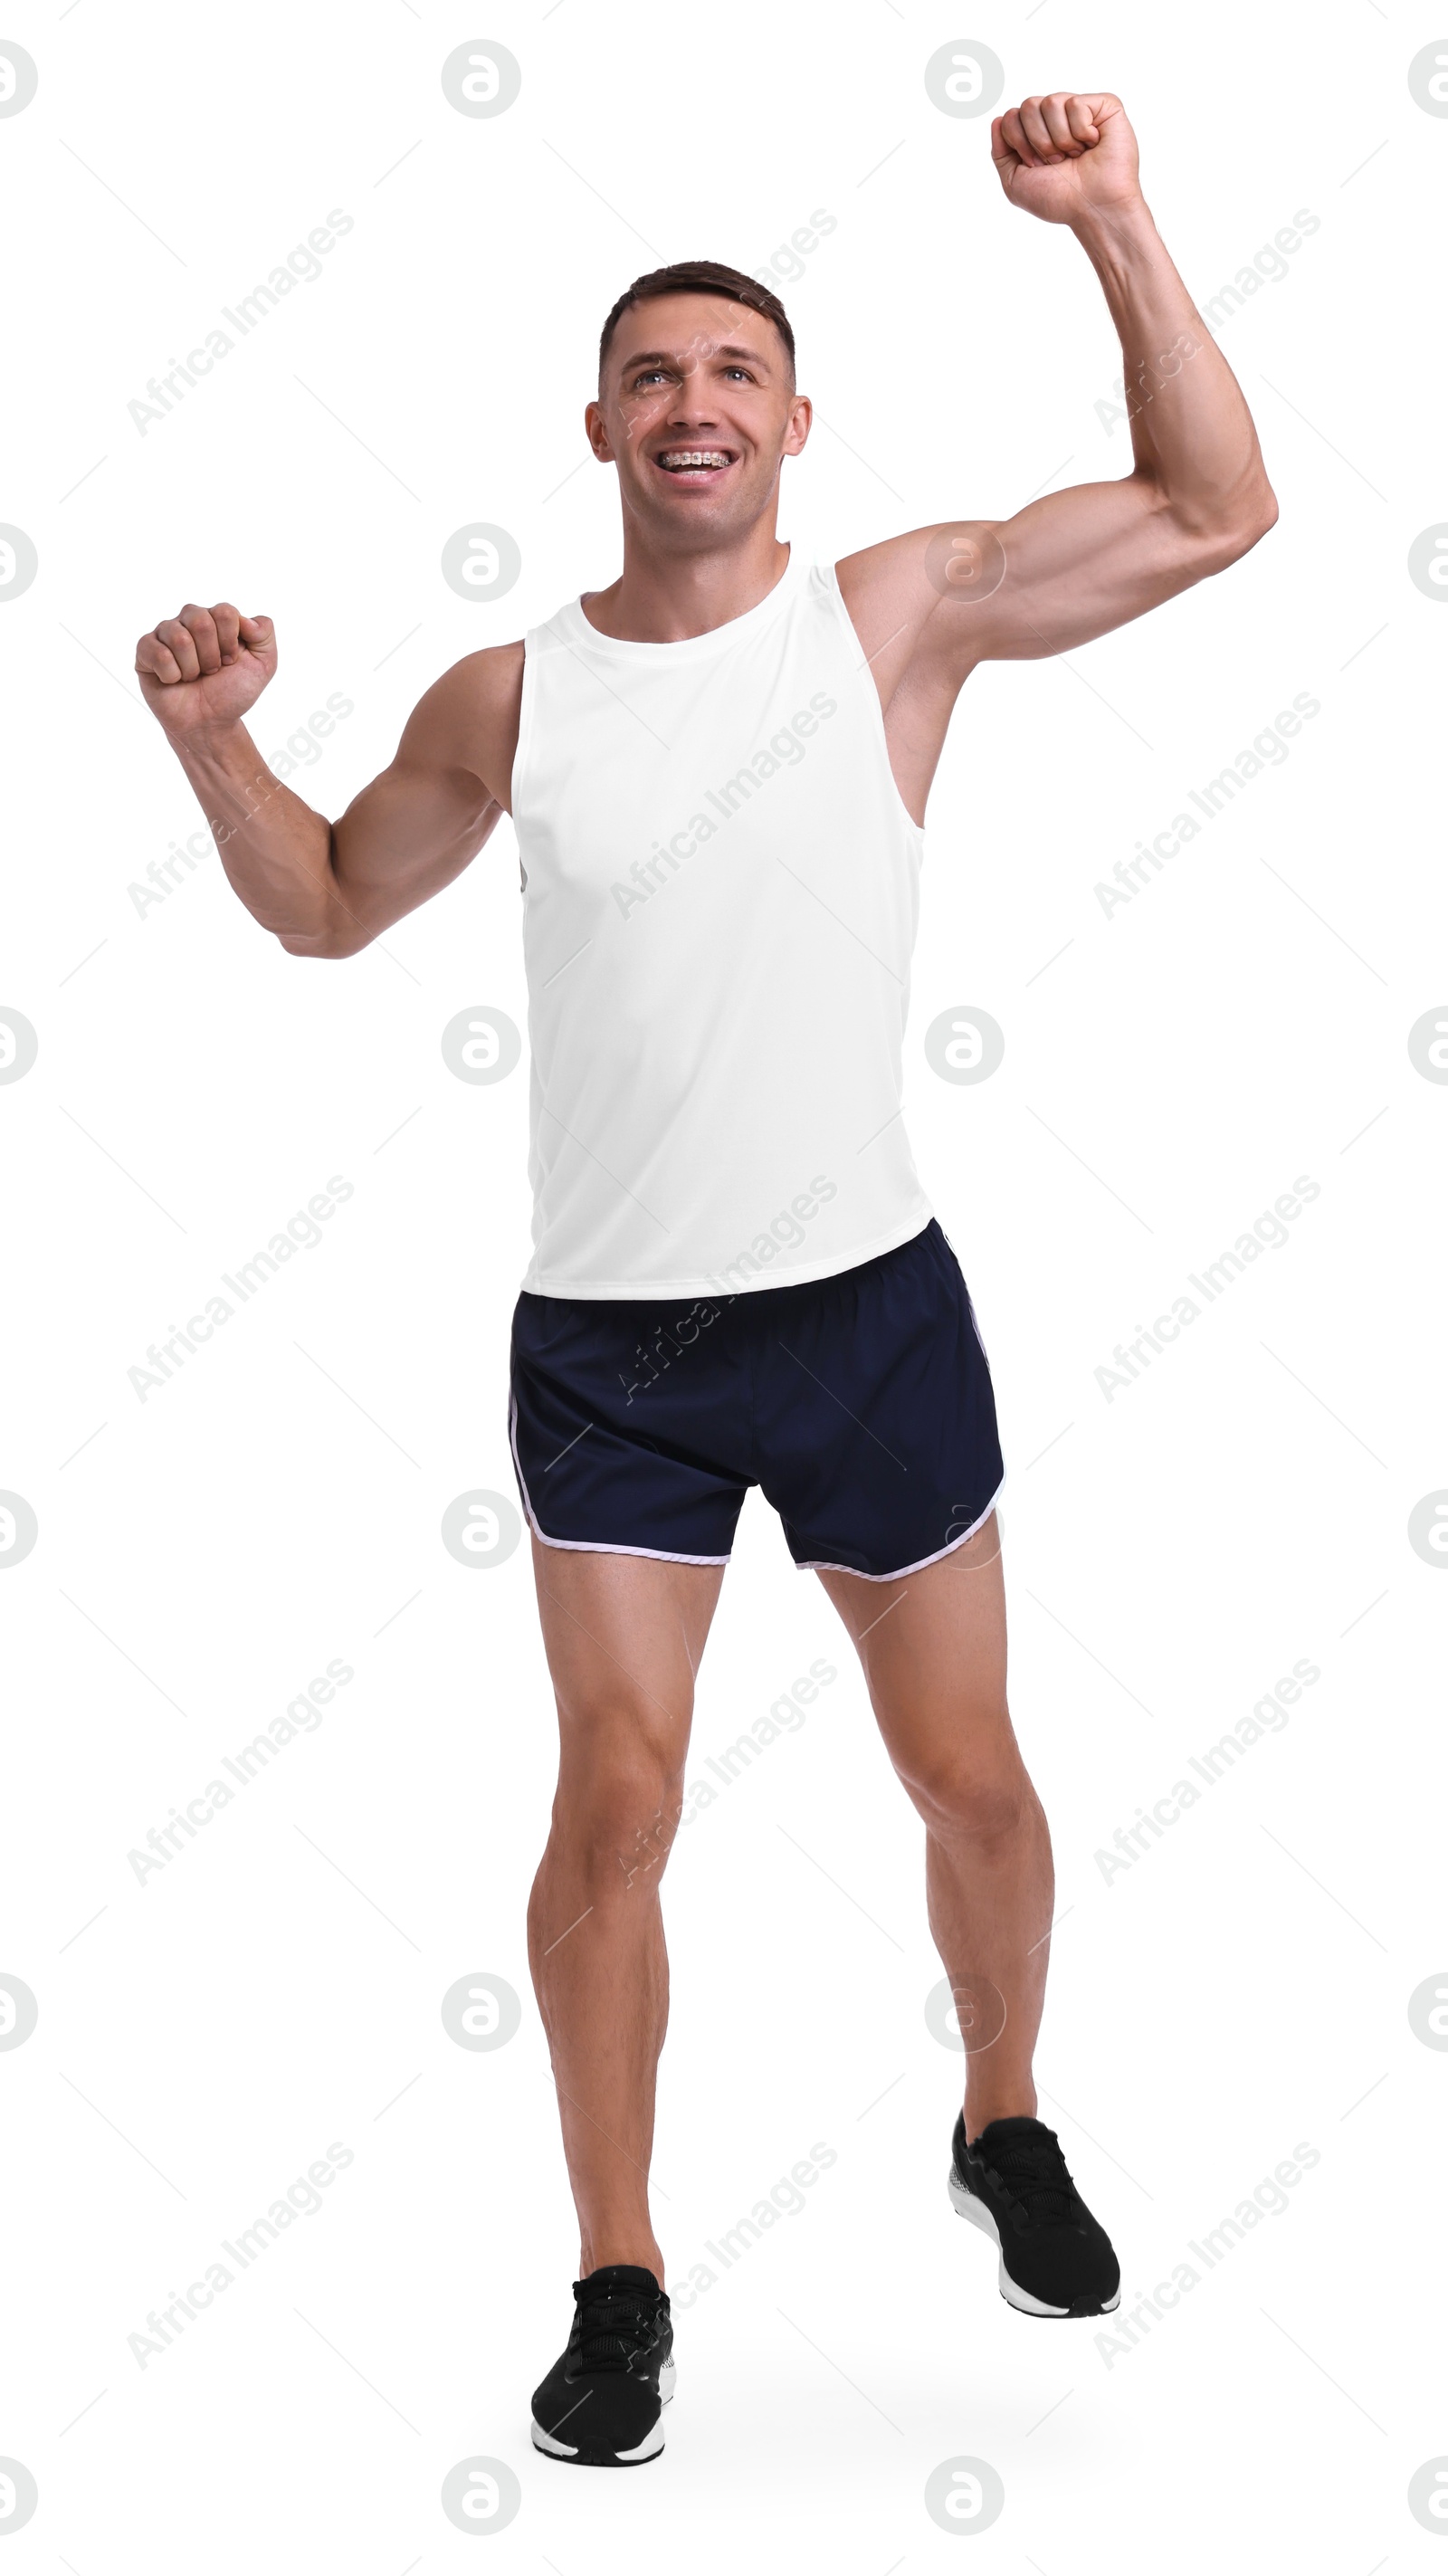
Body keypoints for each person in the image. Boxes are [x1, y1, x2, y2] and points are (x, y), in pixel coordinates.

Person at [135, 89, 1276, 2468]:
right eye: (653, 376)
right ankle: (623, 2282)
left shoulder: (898, 616)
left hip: (868, 1321)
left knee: (970, 1783)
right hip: (613, 1359)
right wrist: (219, 749)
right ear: (601, 428)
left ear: (791, 423)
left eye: (731, 374)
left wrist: (1118, 224)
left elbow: (1213, 511)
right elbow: (332, 903)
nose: (694, 407)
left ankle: (1004, 2117)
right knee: (618, 1811)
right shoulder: (514, 696)